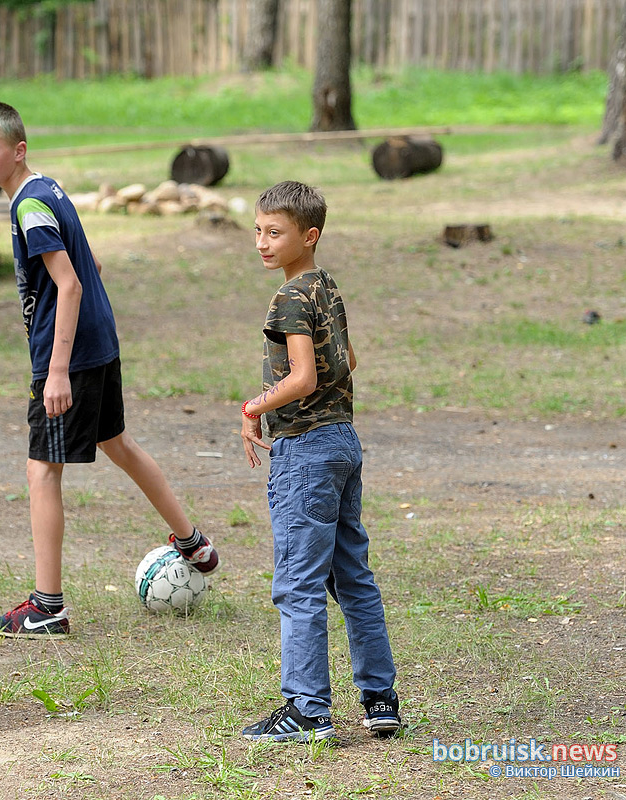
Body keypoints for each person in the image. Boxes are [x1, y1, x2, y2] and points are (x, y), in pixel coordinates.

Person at [0, 101, 220, 638]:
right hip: (99, 342)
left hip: (71, 357)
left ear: (18, 151)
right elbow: (92, 264)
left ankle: (47, 607)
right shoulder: (48, 189)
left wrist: (57, 370)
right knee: (118, 443)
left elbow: (71, 283)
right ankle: (193, 542)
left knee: (42, 470)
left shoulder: (28, 207)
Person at [238, 181, 401, 742]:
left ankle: (307, 710)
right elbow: (347, 359)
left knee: (298, 583)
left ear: (309, 236)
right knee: (353, 577)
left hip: (306, 451)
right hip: (342, 443)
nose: (262, 243)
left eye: (274, 232)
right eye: (258, 231)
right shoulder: (325, 286)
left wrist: (253, 407)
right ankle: (380, 699)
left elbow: (304, 377)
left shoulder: (288, 298)